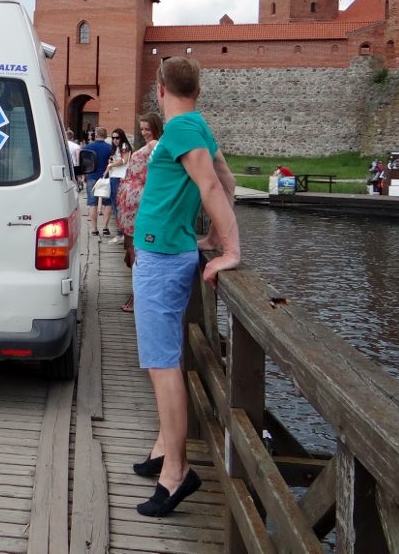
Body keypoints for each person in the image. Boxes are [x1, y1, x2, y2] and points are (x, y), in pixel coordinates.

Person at [131, 56, 239, 518]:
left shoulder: (179, 130)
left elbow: (212, 187)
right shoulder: (196, 125)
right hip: (169, 252)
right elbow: (227, 180)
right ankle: (162, 447)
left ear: (159, 89)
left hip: (159, 259)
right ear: (196, 89)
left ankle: (175, 474)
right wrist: (212, 237)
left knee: (161, 365)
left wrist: (230, 249)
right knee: (165, 359)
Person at [115, 113, 164, 311]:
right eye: (142, 128)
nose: (144, 132)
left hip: (138, 201)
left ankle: (139, 294)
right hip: (131, 200)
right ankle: (138, 292)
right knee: (130, 247)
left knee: (134, 248)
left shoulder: (155, 144)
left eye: (147, 128)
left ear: (155, 128)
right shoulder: (151, 144)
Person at [83, 126, 113, 236]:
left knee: (92, 204)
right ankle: (105, 228)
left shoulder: (88, 147)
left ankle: (95, 230)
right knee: (107, 203)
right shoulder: (110, 148)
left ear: (95, 135)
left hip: (91, 176)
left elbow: (84, 162)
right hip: (106, 177)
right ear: (105, 135)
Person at [106, 128, 134, 243]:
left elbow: (124, 160)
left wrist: (111, 165)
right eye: (113, 138)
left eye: (117, 137)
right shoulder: (118, 147)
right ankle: (121, 232)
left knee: (117, 205)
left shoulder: (124, 146)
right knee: (116, 205)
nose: (115, 140)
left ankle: (120, 233)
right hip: (115, 176)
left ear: (121, 137)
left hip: (119, 177)